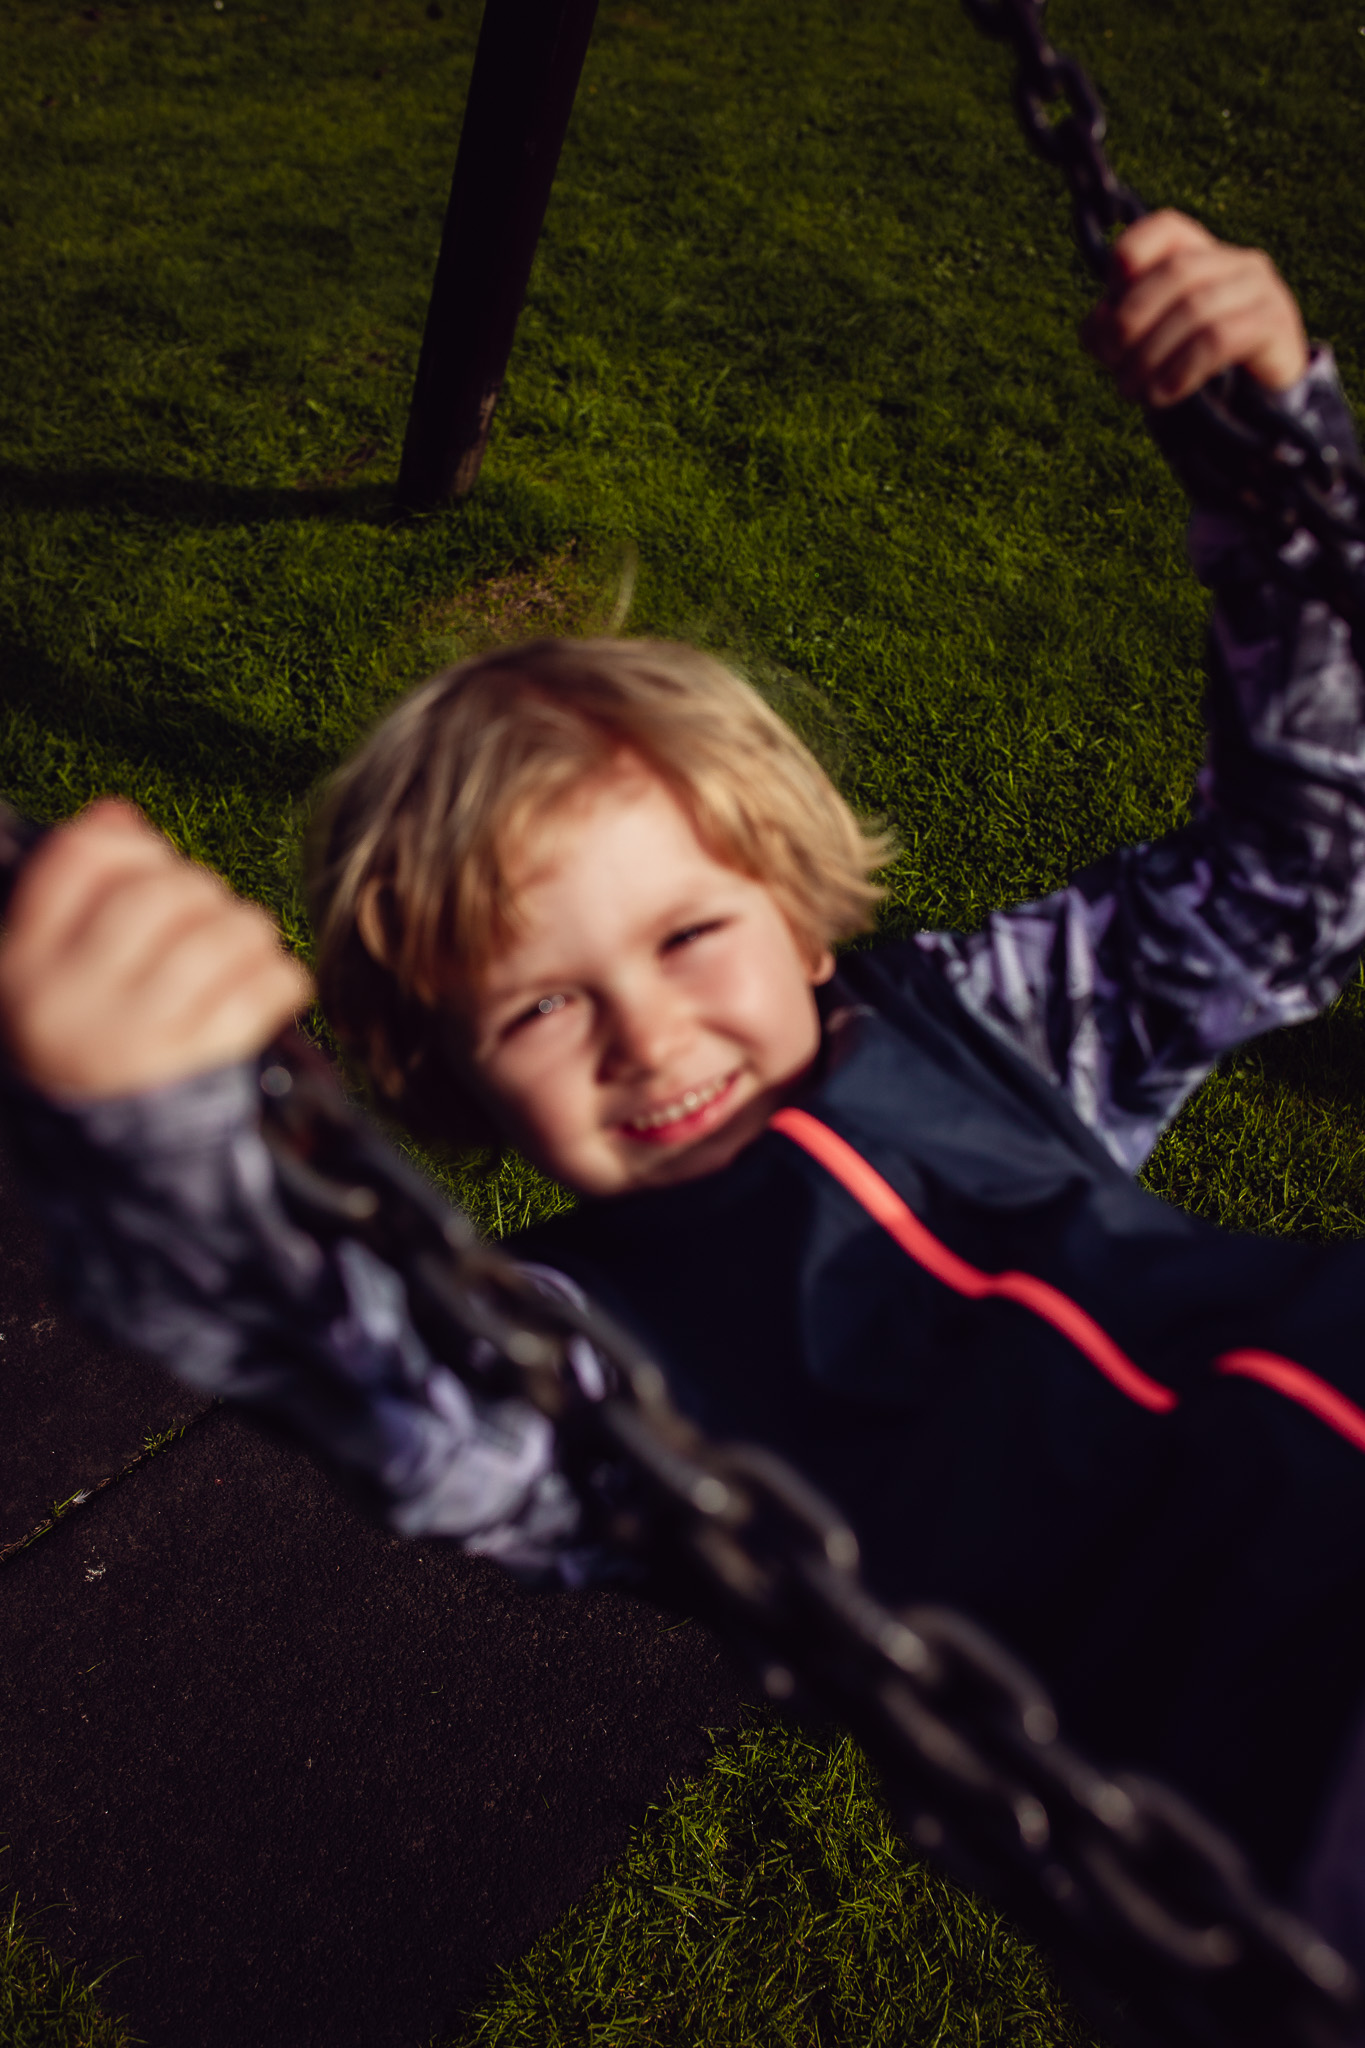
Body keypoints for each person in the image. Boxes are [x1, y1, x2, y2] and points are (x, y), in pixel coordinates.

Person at [4, 209, 1365, 1958]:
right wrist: (151, 1141)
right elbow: (369, 1384)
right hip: (1281, 1774)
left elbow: (1295, 872)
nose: (649, 1039)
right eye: (535, 1012)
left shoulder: (1000, 1033)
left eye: (686, 935)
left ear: (802, 922)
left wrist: (1268, 455)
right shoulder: (600, 1379)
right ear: (451, 1084)